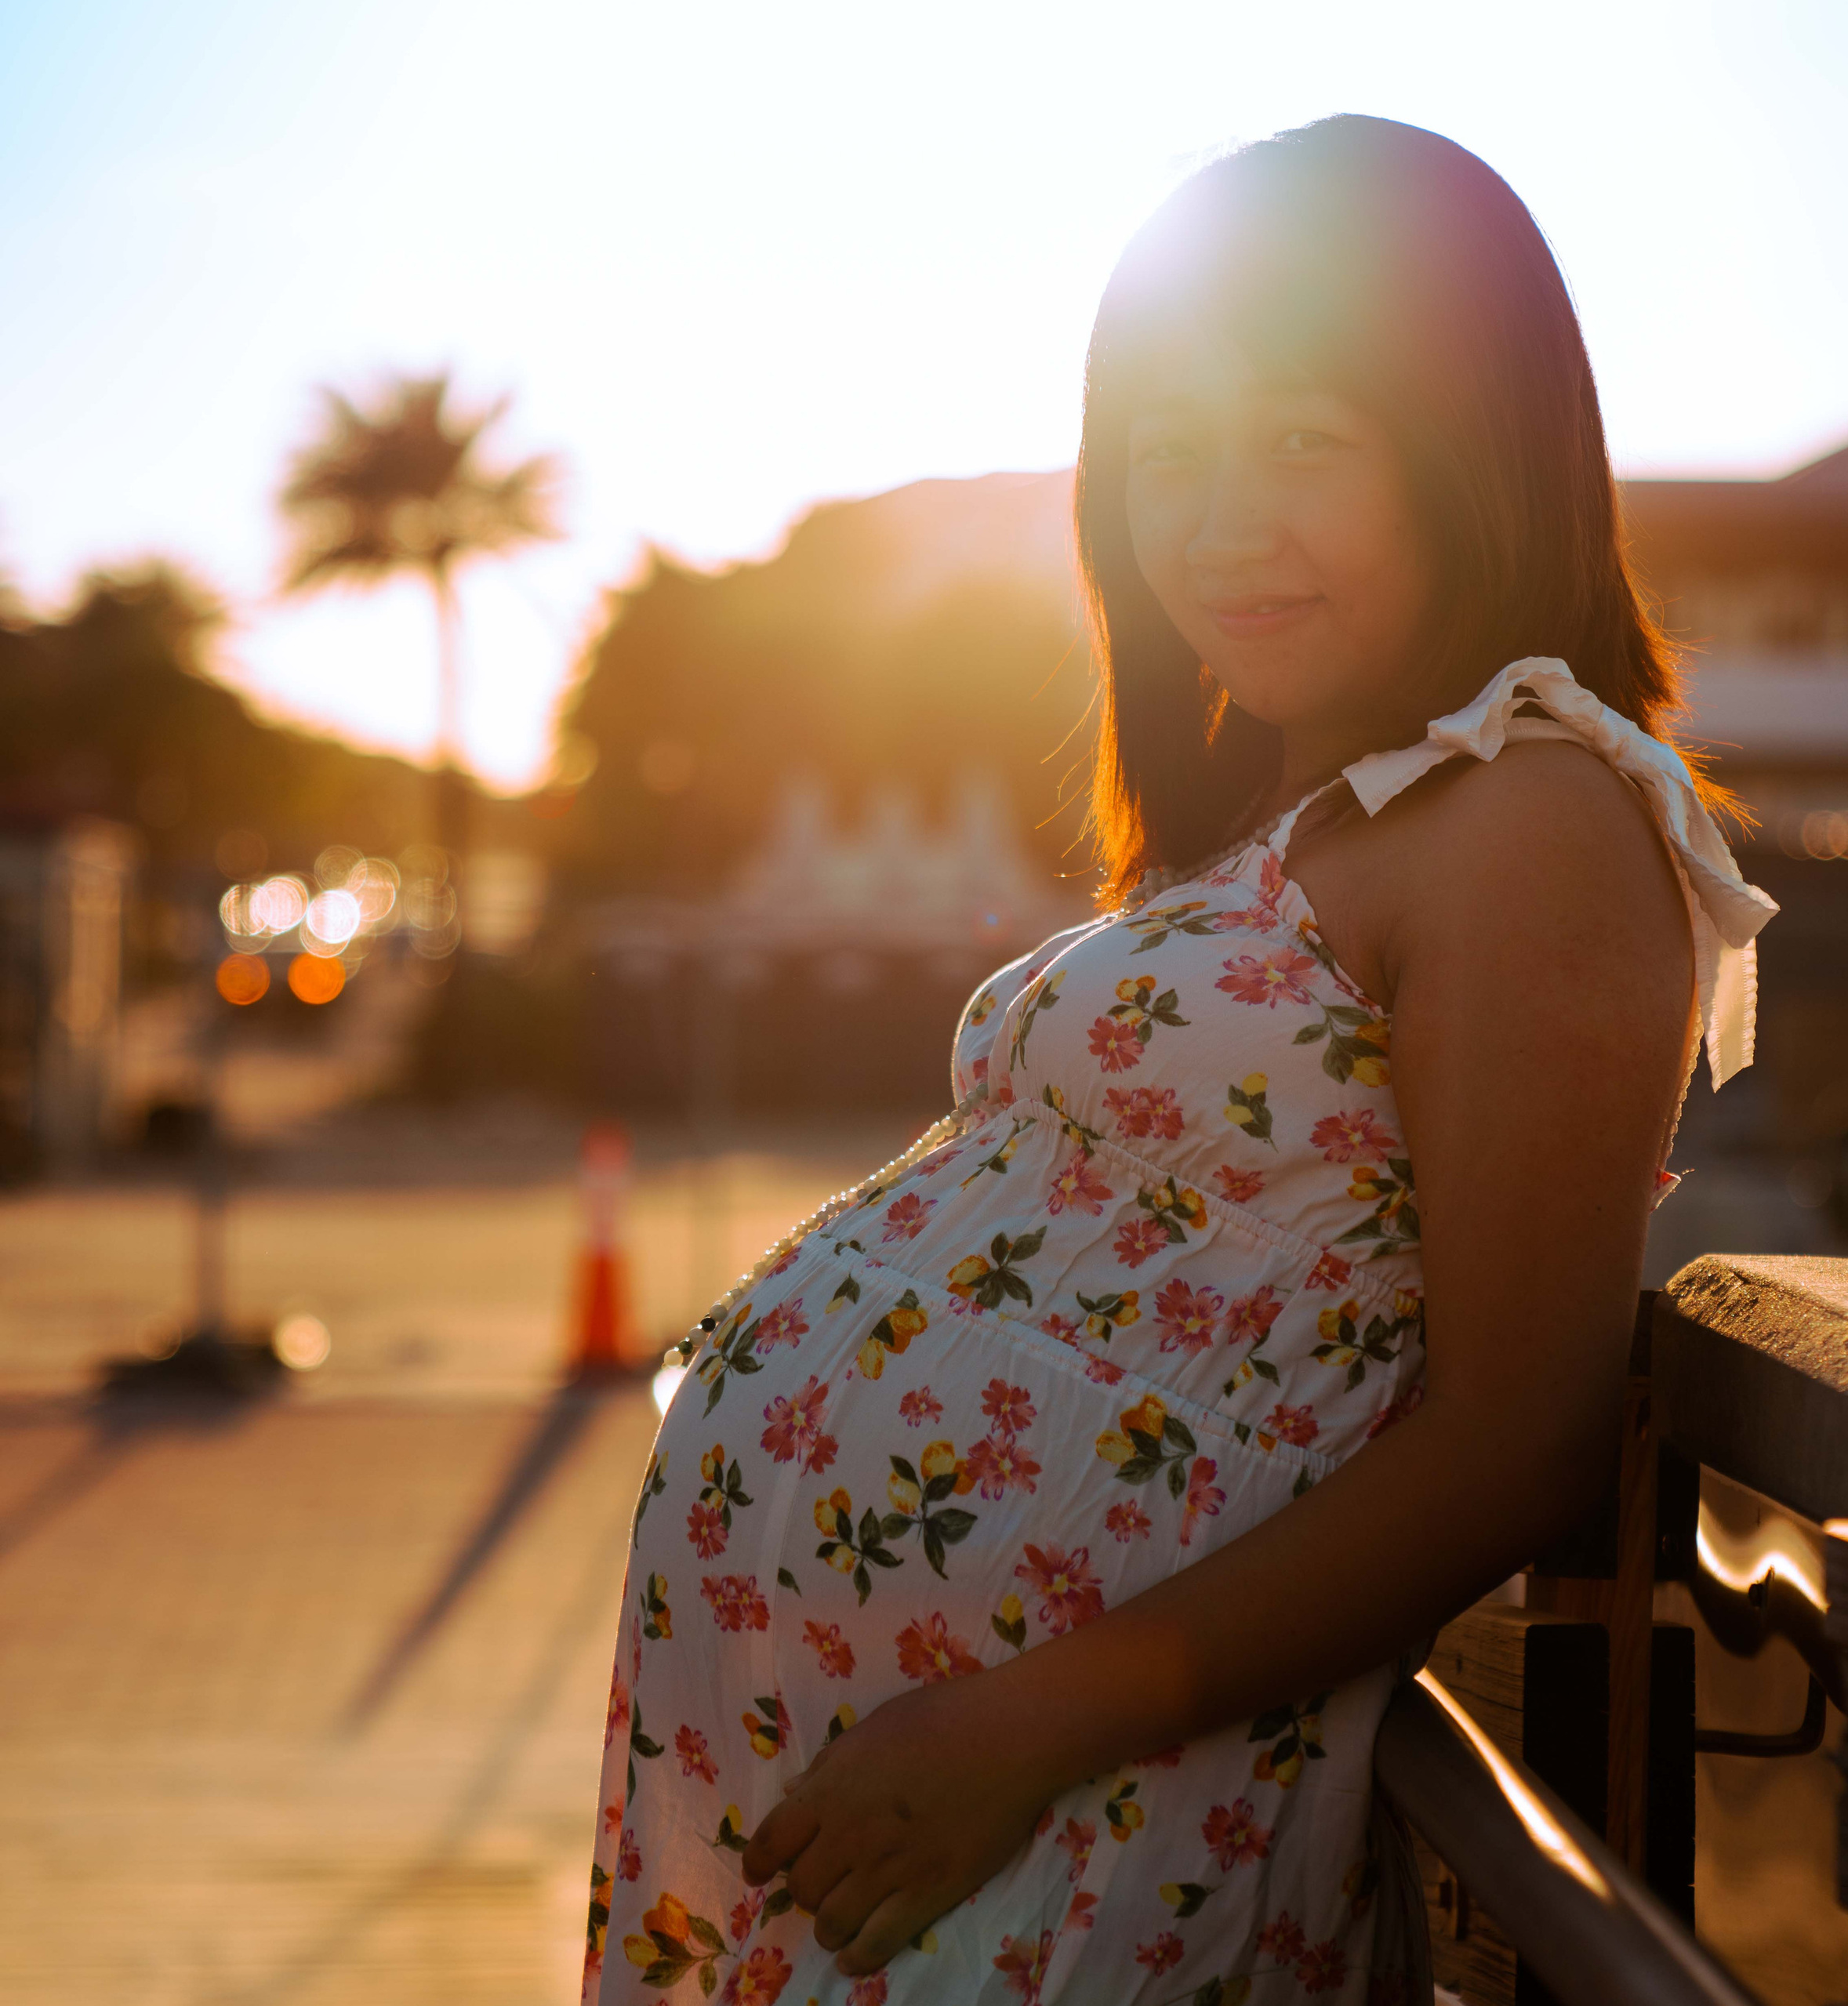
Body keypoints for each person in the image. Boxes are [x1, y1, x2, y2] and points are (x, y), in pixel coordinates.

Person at [583, 114, 1777, 2006]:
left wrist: (1024, 1721)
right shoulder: (1313, 812)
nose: (1220, 522)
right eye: (1169, 449)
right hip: (933, 1818)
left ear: (1478, 441)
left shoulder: (1535, 815)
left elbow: (1516, 1438)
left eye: (1303, 436)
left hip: (1080, 1816)